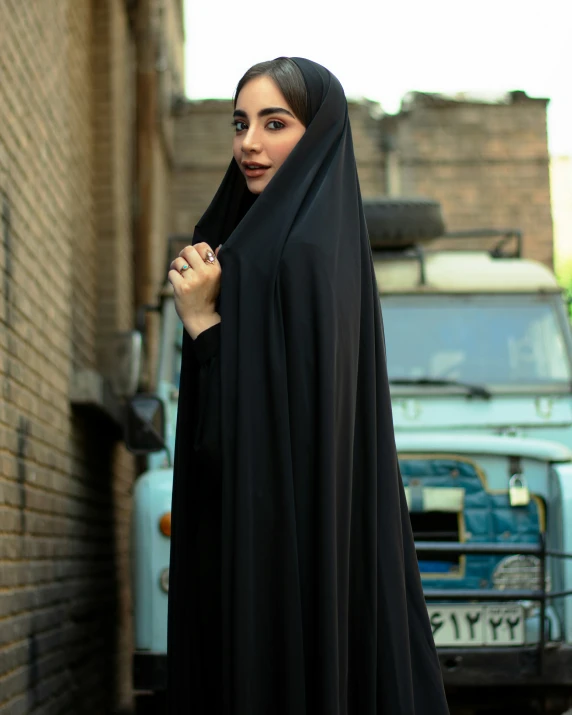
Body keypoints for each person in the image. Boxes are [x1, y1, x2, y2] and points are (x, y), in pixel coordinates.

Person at [167, 57, 449, 715]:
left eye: (275, 123)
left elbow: (255, 437)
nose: (249, 144)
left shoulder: (287, 256)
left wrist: (205, 324)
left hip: (276, 550)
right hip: (315, 537)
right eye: (240, 124)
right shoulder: (324, 244)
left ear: (317, 132)